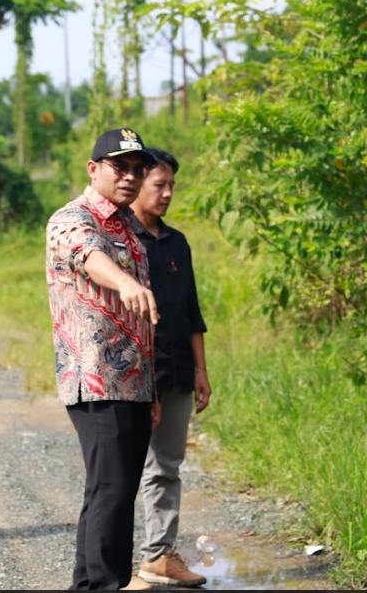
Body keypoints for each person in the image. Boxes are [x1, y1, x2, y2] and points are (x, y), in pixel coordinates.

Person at [45, 127, 162, 590]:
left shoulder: (128, 229)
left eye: (138, 169)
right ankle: (102, 585)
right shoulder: (72, 218)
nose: (131, 177)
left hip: (133, 384)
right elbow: (86, 255)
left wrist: (150, 391)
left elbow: (140, 324)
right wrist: (127, 283)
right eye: (120, 167)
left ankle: (89, 585)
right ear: (94, 169)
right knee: (110, 493)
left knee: (113, 494)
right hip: (95, 381)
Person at [131, 147, 211, 588]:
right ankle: (110, 564)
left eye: (170, 186)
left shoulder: (176, 242)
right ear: (137, 183)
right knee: (125, 469)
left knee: (166, 466)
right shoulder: (122, 242)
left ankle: (158, 554)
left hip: (178, 370)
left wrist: (200, 370)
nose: (166, 194)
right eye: (158, 185)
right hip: (135, 374)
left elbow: (191, 312)